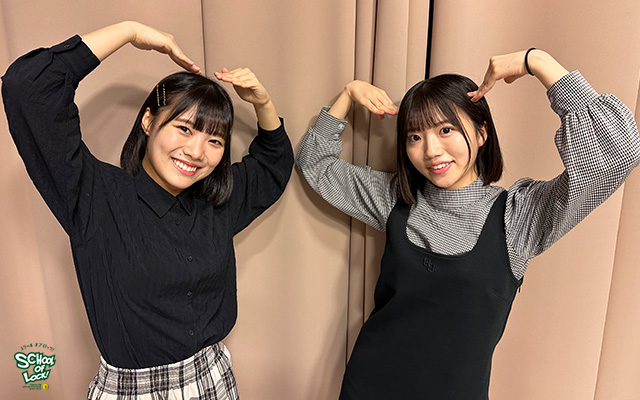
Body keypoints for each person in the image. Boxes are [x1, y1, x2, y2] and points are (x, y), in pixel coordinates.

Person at [296, 48, 640, 399]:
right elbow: (314, 163)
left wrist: (538, 62)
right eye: (415, 137)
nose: (431, 150)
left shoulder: (517, 216)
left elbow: (619, 154)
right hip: (369, 385)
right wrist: (348, 94)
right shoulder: (395, 199)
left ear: (481, 133)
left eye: (446, 129)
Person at [3, 21, 293, 399]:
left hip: (214, 379)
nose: (196, 151)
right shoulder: (97, 196)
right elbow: (28, 88)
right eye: (185, 129)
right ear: (148, 121)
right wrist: (129, 32)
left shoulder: (216, 202)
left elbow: (273, 165)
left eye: (215, 140)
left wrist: (262, 103)